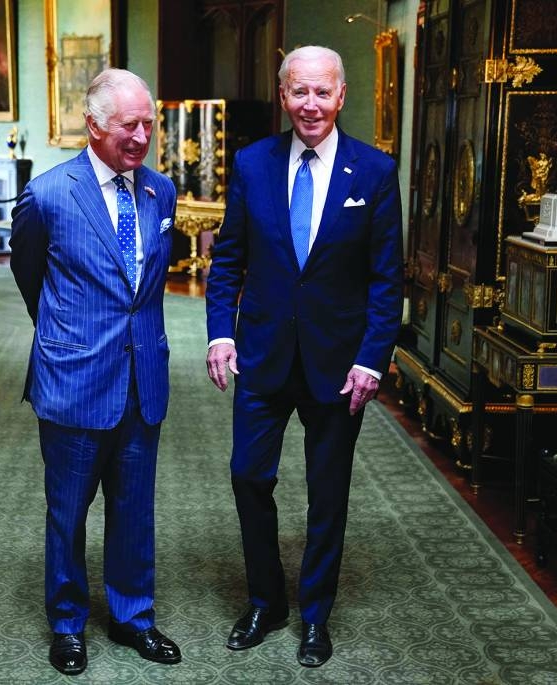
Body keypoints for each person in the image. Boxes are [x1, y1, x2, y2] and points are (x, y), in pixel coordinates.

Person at [205, 45, 403, 668]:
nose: (310, 104)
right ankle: (266, 601)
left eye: (322, 92)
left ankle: (315, 614)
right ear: (283, 95)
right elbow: (228, 260)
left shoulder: (373, 172)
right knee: (247, 476)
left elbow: (386, 279)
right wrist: (220, 333)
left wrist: (372, 358)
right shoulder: (251, 164)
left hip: (338, 366)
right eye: (298, 92)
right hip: (262, 357)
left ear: (342, 96)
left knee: (328, 494)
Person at [9, 68, 181, 677]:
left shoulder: (162, 192)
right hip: (74, 379)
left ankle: (134, 618)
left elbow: (149, 288)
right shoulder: (50, 194)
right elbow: (30, 273)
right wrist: (66, 333)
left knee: (136, 507)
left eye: (148, 124)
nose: (141, 137)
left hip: (143, 380)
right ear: (94, 125)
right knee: (69, 509)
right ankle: (68, 623)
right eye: (128, 125)